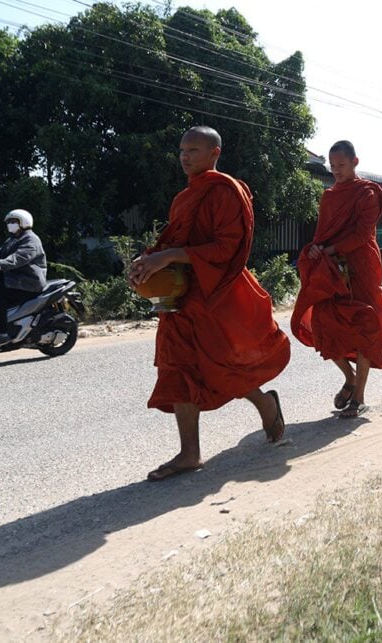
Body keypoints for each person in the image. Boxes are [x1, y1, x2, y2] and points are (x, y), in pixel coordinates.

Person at [127, 126, 290, 481]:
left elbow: (225, 248)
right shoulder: (184, 198)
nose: (185, 157)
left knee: (222, 365)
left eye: (194, 150)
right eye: (182, 150)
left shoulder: (226, 191)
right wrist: (147, 261)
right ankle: (190, 453)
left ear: (214, 153)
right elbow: (173, 242)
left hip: (217, 291)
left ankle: (266, 403)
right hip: (181, 294)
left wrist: (171, 255)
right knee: (177, 365)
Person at [291, 140, 382, 419]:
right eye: (332, 166)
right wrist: (317, 249)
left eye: (341, 165)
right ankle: (350, 377)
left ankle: (359, 397)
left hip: (361, 265)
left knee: (365, 325)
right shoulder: (329, 196)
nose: (336, 171)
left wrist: (331, 249)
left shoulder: (367, 193)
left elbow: (362, 234)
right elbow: (322, 233)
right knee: (324, 326)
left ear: (355, 162)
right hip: (331, 269)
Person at [0, 209, 47, 347]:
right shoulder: (12, 239)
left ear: (23, 222)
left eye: (13, 221)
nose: (10, 224)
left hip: (27, 282)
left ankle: (1, 333)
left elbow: (19, 257)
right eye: (9, 222)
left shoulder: (31, 239)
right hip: (12, 280)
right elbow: (0, 255)